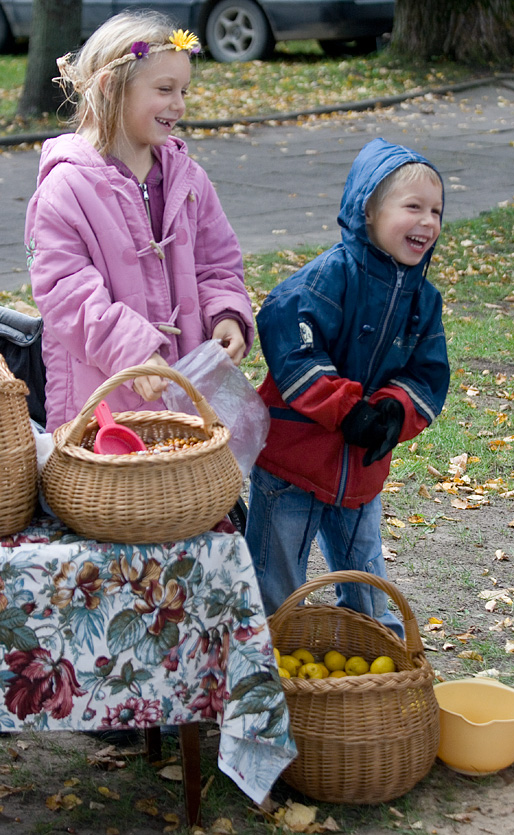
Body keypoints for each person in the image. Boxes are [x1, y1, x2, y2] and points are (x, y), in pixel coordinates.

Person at [245, 138, 450, 637]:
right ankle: (271, 673)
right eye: (413, 207)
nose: (427, 221)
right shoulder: (325, 281)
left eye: (437, 211)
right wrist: (348, 408)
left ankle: (380, 664)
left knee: (367, 582)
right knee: (276, 585)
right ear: (369, 212)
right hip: (291, 466)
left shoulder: (423, 300)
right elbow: (289, 338)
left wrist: (392, 413)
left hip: (360, 473)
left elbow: (428, 372)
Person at [25, 10, 253, 433]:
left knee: (186, 496)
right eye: (165, 89)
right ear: (111, 89)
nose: (179, 104)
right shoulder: (67, 189)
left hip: (185, 401)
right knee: (118, 502)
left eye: (183, 90)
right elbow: (67, 293)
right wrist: (134, 350)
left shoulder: (189, 181)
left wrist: (225, 314)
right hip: (102, 411)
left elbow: (217, 264)